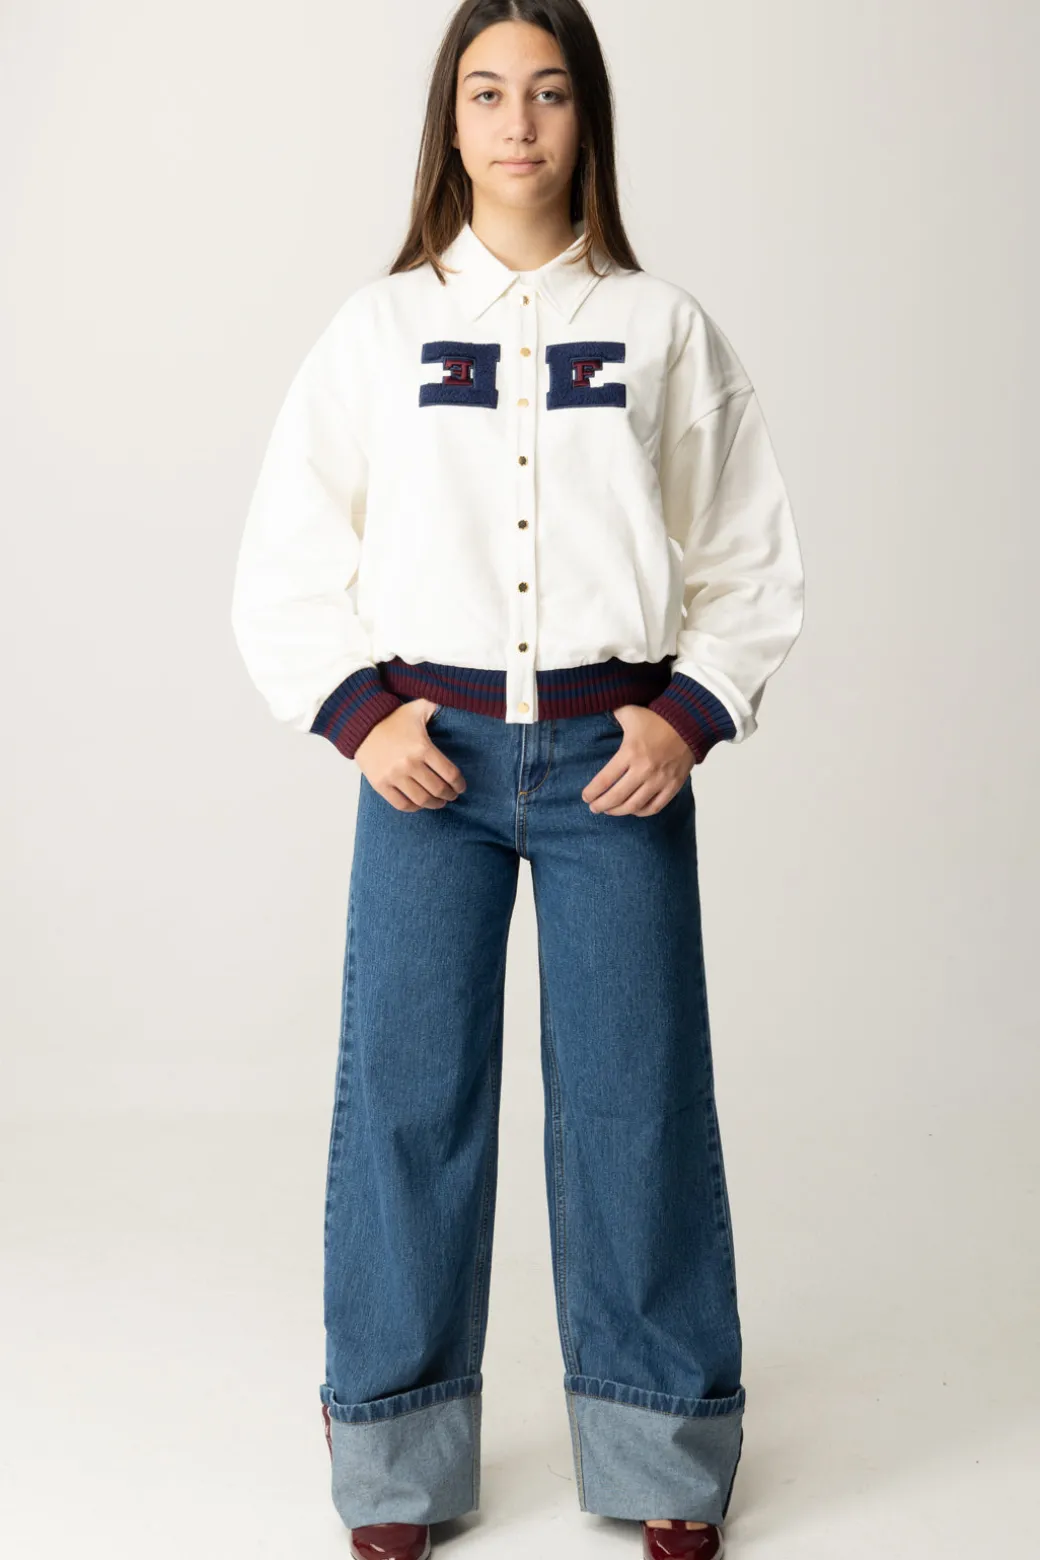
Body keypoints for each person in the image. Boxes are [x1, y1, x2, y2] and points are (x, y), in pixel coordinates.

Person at [230, 2, 804, 1556]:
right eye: (487, 93)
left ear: (586, 116)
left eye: (548, 92)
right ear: (451, 119)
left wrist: (686, 718)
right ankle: (395, 1456)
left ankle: (664, 1443)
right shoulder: (380, 331)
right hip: (431, 763)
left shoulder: (662, 326)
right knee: (409, 1104)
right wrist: (365, 722)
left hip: (620, 762)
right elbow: (286, 556)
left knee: (636, 1099)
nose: (518, 123)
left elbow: (747, 551)